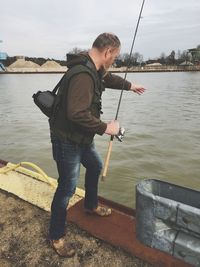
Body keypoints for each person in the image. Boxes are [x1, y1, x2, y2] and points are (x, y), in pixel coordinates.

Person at [49, 32, 145, 257]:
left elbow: (107, 79)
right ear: (107, 52)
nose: (115, 61)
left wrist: (130, 85)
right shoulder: (83, 75)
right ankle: (56, 235)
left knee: (94, 165)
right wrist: (106, 128)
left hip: (82, 137)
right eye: (115, 56)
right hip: (67, 140)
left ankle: (90, 206)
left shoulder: (92, 66)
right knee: (67, 188)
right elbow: (76, 114)